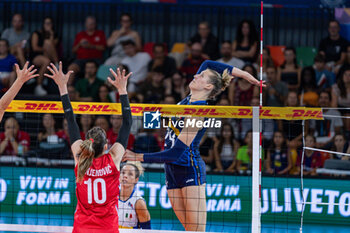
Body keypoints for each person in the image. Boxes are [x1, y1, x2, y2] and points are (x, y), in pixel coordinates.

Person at [124, 60, 264, 231]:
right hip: (171, 171)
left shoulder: (199, 112)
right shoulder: (187, 100)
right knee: (188, 230)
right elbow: (207, 63)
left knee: (196, 231)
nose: (196, 75)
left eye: (202, 76)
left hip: (189, 170)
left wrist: (136, 156)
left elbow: (175, 153)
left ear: (208, 87)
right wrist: (244, 75)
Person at [44, 62, 132, 233]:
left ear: (86, 142)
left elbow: (71, 121)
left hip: (82, 227)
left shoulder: (80, 157)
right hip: (108, 228)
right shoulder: (113, 158)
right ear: (107, 146)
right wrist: (122, 90)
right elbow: (127, 124)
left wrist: (62, 87)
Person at [29, 17, 60, 96]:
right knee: (46, 60)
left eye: (49, 23)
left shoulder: (55, 34)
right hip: (37, 56)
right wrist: (45, 49)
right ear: (43, 24)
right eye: (46, 23)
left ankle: (56, 65)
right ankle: (38, 86)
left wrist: (51, 34)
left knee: (48, 43)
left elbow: (53, 46)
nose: (48, 25)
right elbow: (35, 48)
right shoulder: (36, 33)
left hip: (49, 56)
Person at [68, 16, 107, 80]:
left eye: (92, 23)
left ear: (95, 24)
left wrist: (91, 46)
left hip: (96, 60)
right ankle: (68, 88)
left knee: (91, 69)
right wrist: (79, 44)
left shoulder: (100, 33)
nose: (90, 25)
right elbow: (73, 50)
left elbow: (103, 48)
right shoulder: (80, 34)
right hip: (81, 60)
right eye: (89, 23)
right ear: (85, 24)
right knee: (71, 69)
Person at [118, 162, 151, 229]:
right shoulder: (111, 196)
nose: (125, 176)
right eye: (123, 173)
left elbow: (147, 229)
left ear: (136, 180)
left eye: (130, 174)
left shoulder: (139, 202)